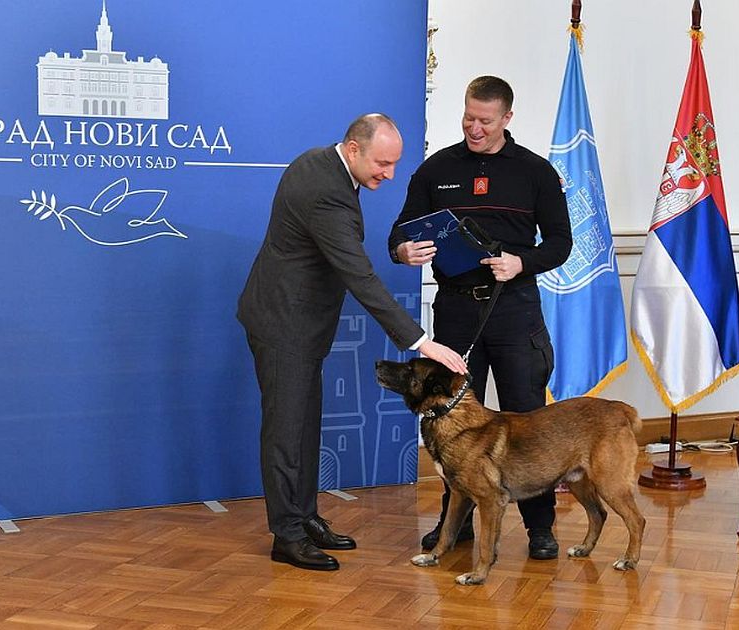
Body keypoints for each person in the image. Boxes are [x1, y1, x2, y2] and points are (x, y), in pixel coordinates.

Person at [238, 114, 466, 572]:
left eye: (395, 164)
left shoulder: (321, 163)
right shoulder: (325, 192)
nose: (389, 173)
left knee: (303, 425)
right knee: (286, 432)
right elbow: (358, 275)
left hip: (299, 321)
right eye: (382, 163)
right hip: (285, 323)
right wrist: (421, 342)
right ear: (354, 148)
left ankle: (304, 517)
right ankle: (287, 535)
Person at [388, 76, 572, 559]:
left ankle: (540, 529)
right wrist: (404, 250)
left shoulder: (535, 171)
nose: (474, 127)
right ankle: (458, 527)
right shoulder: (437, 169)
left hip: (514, 311)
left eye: (485, 121)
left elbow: (560, 243)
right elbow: (399, 234)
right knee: (453, 418)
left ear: (507, 118)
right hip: (455, 311)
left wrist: (521, 262)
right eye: (468, 117)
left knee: (528, 421)